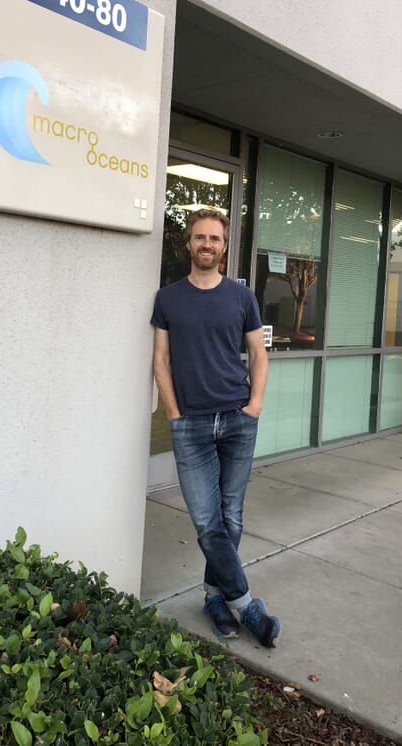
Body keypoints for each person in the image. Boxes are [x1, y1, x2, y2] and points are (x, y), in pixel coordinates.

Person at [151, 208, 280, 647]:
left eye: (215, 239)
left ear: (225, 247)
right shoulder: (168, 298)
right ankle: (245, 604)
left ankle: (213, 597)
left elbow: (258, 354)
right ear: (187, 243)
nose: (207, 244)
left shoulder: (241, 298)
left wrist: (255, 405)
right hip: (191, 424)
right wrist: (173, 412)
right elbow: (161, 360)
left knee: (231, 518)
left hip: (238, 418)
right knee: (207, 521)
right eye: (200, 237)